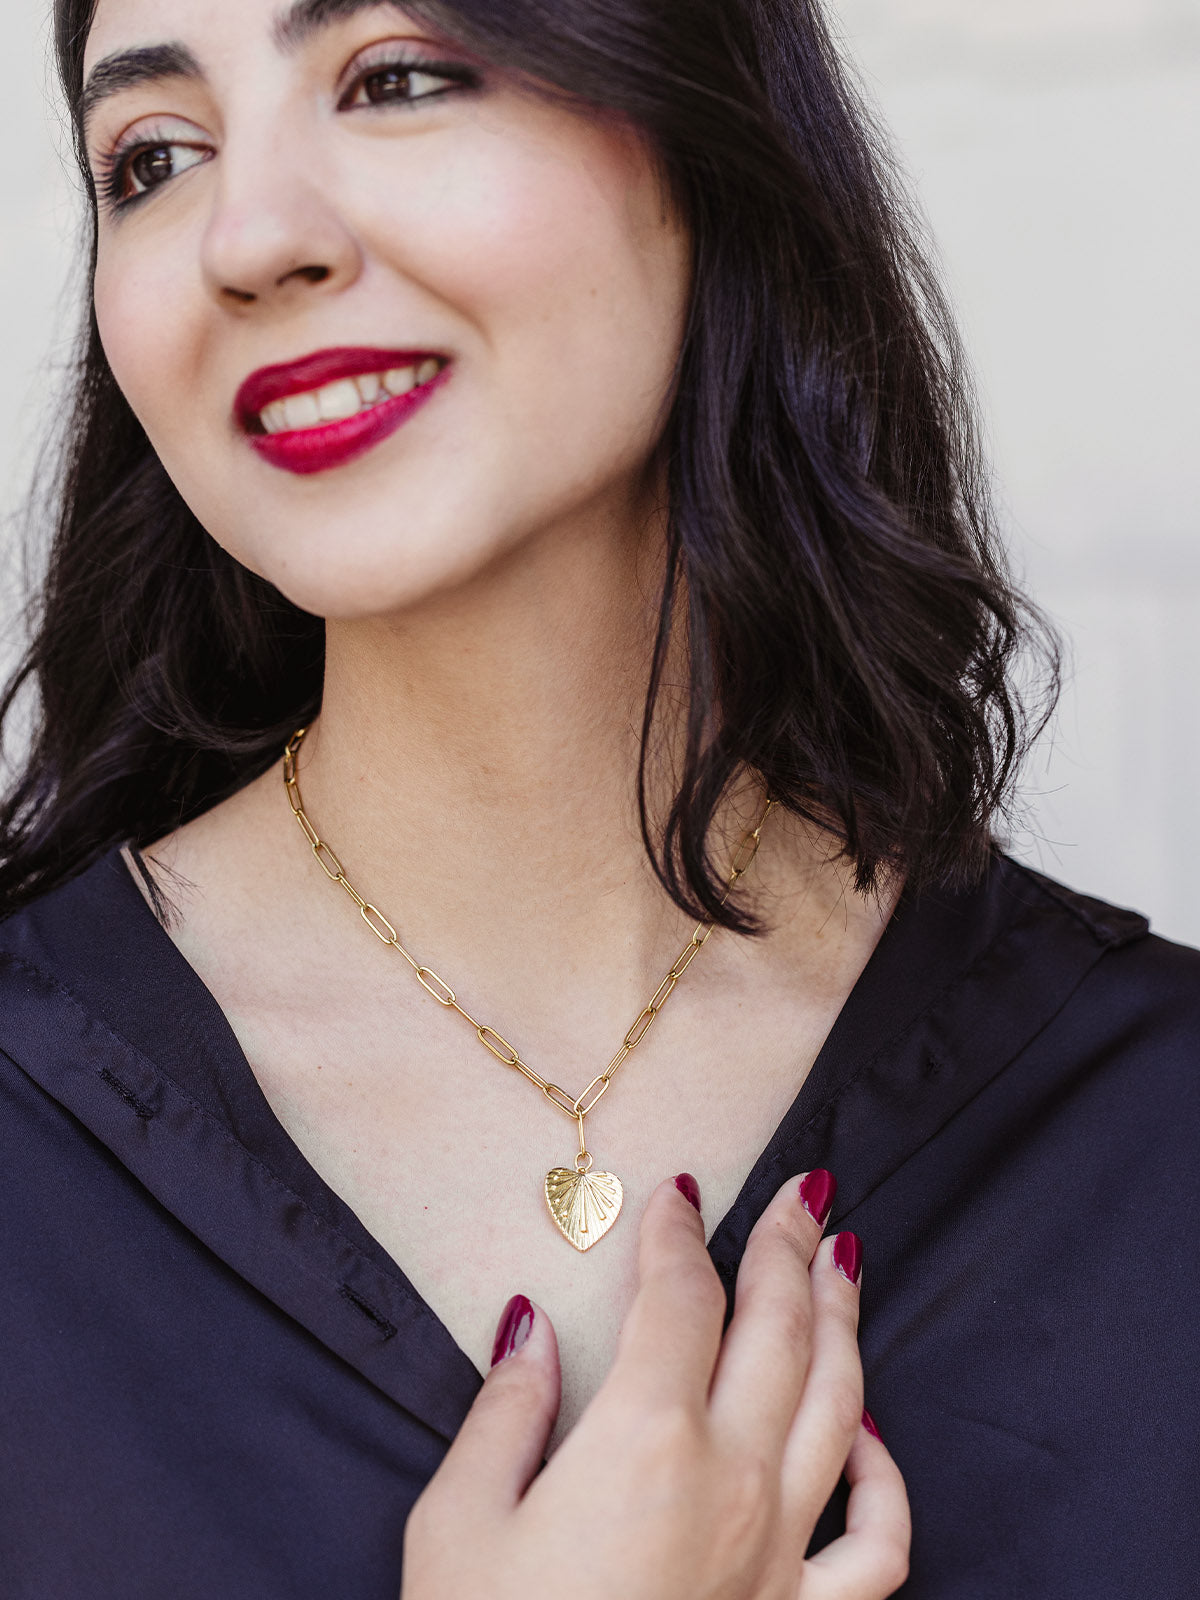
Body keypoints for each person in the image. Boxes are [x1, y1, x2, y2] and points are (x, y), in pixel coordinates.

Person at [0, 0, 1195, 1595]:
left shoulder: (1152, 1138)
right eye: (152, 157)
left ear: (703, 131)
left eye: (397, 78)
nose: (248, 234)